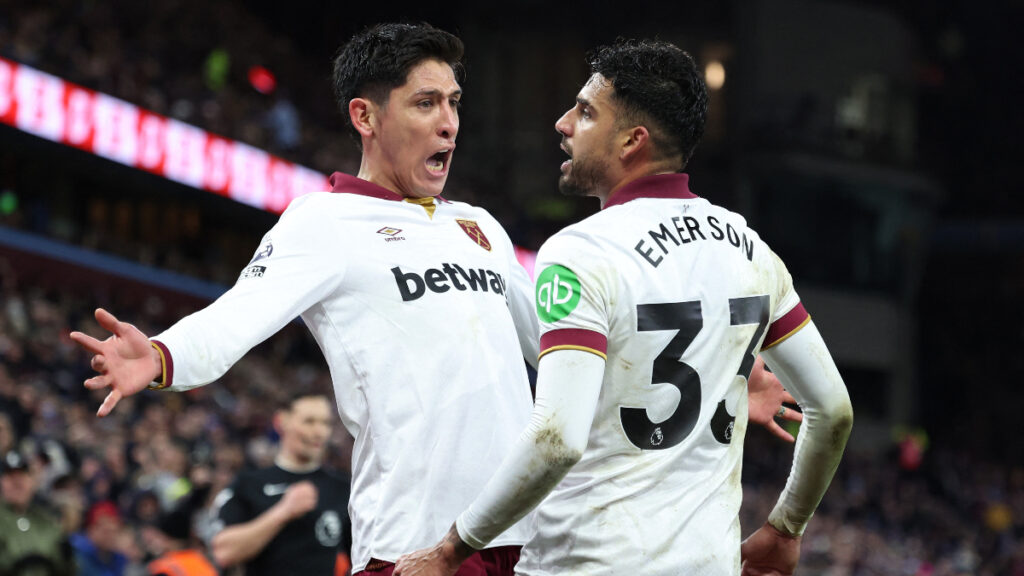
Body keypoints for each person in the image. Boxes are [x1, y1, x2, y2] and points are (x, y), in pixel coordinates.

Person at [70, 23, 801, 576]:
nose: (449, 121)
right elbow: (236, 320)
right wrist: (160, 355)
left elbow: (564, 343)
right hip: (415, 544)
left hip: (526, 536)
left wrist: (717, 381)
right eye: (425, 103)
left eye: (453, 102)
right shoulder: (323, 223)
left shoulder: (476, 225)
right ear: (365, 116)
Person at [394, 39, 853, 576]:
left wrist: (453, 547)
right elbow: (833, 410)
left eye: (586, 112)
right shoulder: (749, 248)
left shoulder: (582, 251)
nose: (564, 123)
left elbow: (558, 438)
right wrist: (785, 526)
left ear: (633, 140)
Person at [208, 391, 351, 576]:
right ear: (281, 421)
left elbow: (362, 559)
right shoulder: (249, 484)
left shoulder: (343, 488)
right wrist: (283, 511)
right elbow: (223, 552)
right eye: (309, 421)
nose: (319, 432)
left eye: (326, 423)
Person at [0, 449, 72, 576]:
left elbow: (66, 567)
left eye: (22, 475)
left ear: (32, 481)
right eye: (10, 476)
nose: (17, 482)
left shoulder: (47, 521)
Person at [70, 501, 129, 576]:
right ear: (91, 530)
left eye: (115, 531)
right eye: (106, 531)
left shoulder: (119, 558)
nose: (111, 536)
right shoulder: (76, 556)